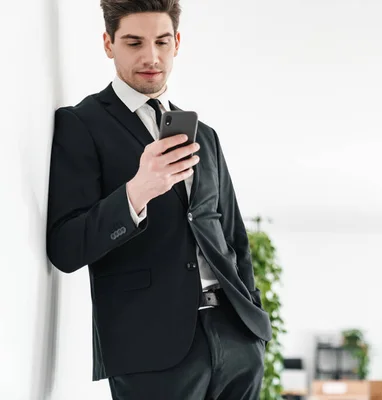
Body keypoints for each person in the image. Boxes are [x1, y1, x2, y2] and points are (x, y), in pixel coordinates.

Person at [46, 1, 271, 398]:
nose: (151, 57)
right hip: (149, 347)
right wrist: (138, 191)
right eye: (134, 42)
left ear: (177, 43)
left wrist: (253, 326)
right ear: (108, 44)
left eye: (162, 42)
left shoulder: (205, 136)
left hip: (236, 337)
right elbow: (65, 247)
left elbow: (233, 237)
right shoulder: (81, 124)